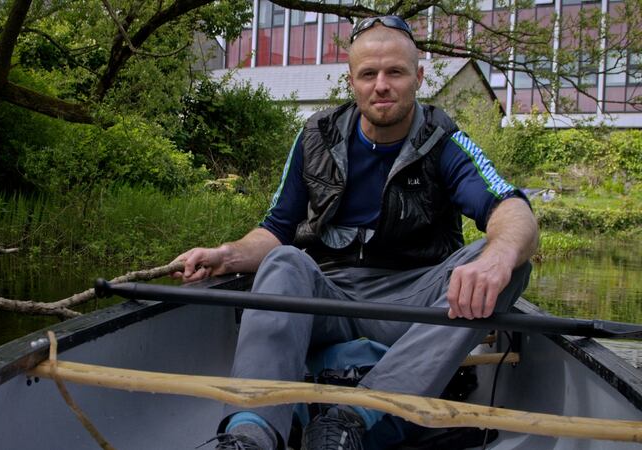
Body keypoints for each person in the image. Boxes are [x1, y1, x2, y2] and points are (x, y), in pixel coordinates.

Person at [174, 15, 538, 450]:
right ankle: (249, 433)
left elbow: (512, 209)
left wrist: (497, 259)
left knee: (509, 261)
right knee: (284, 260)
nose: (381, 85)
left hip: (417, 313)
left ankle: (354, 419)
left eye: (395, 72)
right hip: (331, 301)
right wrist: (226, 255)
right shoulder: (314, 136)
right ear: (352, 81)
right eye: (369, 74)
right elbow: (276, 230)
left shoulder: (445, 140)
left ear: (418, 77)